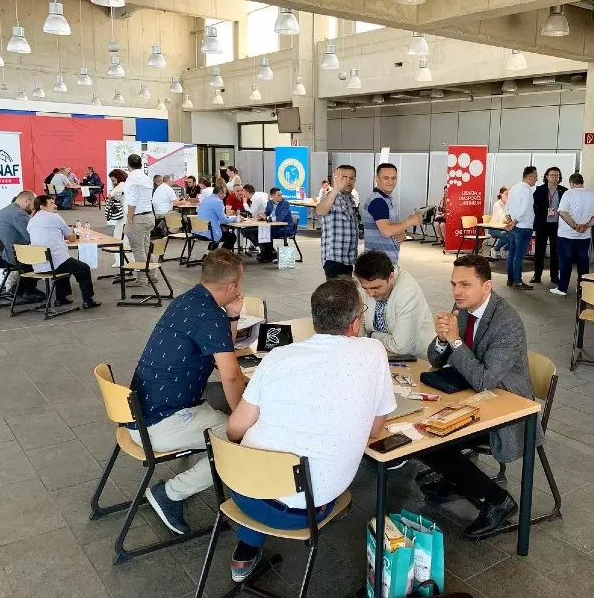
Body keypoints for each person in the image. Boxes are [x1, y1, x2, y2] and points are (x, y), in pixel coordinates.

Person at [224, 278, 395, 581]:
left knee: (265, 457)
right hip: (306, 511)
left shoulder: (276, 357)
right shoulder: (373, 351)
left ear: (315, 319)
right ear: (355, 322)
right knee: (294, 470)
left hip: (240, 491)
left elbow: (234, 429)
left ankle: (244, 553)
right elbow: (374, 429)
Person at [132, 249, 249, 536]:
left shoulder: (185, 300)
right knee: (243, 441)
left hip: (139, 410)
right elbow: (231, 375)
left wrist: (232, 316)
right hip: (161, 423)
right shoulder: (210, 315)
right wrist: (242, 420)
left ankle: (211, 467)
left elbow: (222, 348)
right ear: (232, 286)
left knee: (224, 409)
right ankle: (170, 493)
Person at [420, 255, 536, 539]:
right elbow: (435, 359)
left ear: (487, 287)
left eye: (465, 284)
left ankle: (498, 500)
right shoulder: (463, 308)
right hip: (471, 396)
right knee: (423, 432)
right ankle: (458, 478)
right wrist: (442, 340)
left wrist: (455, 340)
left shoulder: (506, 322)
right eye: (453, 284)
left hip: (506, 406)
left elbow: (485, 381)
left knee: (434, 443)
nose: (456, 291)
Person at [354, 249, 435, 359]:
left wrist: (373, 335)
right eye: (365, 288)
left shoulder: (408, 292)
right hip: (380, 354)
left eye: (376, 288)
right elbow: (358, 328)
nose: (370, 294)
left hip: (418, 359)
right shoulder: (365, 285)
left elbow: (401, 347)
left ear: (391, 277)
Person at [26, 195, 101, 309]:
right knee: (83, 268)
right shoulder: (54, 217)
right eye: (51, 203)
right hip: (53, 261)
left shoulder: (31, 220)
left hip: (38, 263)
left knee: (65, 265)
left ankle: (61, 298)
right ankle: (88, 300)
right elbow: (69, 234)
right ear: (42, 207)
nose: (55, 206)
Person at [550, 174, 594, 297]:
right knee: (583, 261)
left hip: (566, 235)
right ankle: (582, 288)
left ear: (571, 183)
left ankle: (562, 288)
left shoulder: (568, 194)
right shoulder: (593, 195)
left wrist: (575, 226)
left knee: (565, 262)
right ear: (581, 182)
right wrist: (586, 226)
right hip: (584, 236)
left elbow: (563, 213)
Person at [0, 190, 44, 302]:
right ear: (27, 201)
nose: (34, 207)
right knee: (41, 259)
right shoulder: (18, 214)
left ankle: (20, 287)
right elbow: (31, 235)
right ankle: (24, 290)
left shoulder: (7, 210)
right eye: (33, 204)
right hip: (5, 257)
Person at [361, 163, 421, 264]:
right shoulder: (378, 201)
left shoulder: (384, 199)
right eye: (386, 178)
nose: (390, 181)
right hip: (378, 263)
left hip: (383, 261)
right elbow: (386, 231)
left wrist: (401, 232)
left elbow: (390, 227)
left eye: (393, 178)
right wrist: (409, 222)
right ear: (377, 179)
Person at [316, 164, 359, 278]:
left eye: (351, 178)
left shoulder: (350, 199)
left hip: (348, 259)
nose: (348, 181)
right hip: (334, 259)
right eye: (343, 177)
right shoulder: (330, 197)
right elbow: (320, 210)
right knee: (338, 290)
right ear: (336, 179)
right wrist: (335, 189)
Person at [124, 154, 157, 288]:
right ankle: (152, 275)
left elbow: (132, 201)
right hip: (149, 216)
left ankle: (142, 278)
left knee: (138, 249)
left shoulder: (131, 179)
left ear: (128, 165)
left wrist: (129, 218)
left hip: (138, 217)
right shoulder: (147, 178)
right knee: (146, 247)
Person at [503, 165, 537, 290]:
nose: (536, 179)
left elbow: (507, 206)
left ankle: (510, 279)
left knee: (511, 254)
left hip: (515, 227)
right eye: (535, 176)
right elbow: (525, 208)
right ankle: (517, 281)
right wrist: (515, 221)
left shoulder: (514, 188)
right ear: (529, 176)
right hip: (523, 227)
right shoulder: (527, 190)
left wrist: (510, 221)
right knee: (519, 256)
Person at [532, 167, 566, 284]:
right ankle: (537, 275)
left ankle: (554, 275)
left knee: (555, 251)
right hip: (543, 224)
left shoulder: (563, 191)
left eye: (557, 175)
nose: (554, 177)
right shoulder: (540, 190)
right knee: (539, 250)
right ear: (547, 177)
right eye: (552, 175)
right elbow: (534, 205)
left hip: (557, 224)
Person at [247, 187, 294, 262]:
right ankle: (268, 252)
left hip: (285, 228)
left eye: (281, 195)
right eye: (279, 195)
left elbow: (280, 218)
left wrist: (267, 218)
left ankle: (268, 253)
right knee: (254, 231)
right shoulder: (269, 203)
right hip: (273, 226)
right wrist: (262, 215)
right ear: (272, 196)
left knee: (265, 233)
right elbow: (267, 212)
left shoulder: (285, 204)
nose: (281, 197)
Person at [194, 184, 237, 251]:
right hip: (207, 233)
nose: (225, 195)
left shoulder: (206, 200)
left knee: (217, 232)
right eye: (225, 193)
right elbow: (224, 220)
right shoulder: (218, 202)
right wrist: (235, 218)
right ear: (220, 193)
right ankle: (221, 255)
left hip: (198, 231)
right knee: (231, 237)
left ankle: (209, 253)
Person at [107, 169, 128, 268]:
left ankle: (120, 261)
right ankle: (124, 260)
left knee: (118, 237)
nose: (113, 182)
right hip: (125, 214)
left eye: (114, 180)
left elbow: (110, 195)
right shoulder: (126, 184)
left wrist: (112, 192)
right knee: (124, 238)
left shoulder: (122, 184)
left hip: (123, 215)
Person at [487, 186, 510, 260]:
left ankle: (505, 248)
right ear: (501, 194)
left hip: (505, 228)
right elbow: (503, 218)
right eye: (506, 194)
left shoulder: (509, 204)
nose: (508, 196)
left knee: (516, 235)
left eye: (509, 194)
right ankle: (495, 249)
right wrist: (510, 219)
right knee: (506, 235)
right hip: (494, 229)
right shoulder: (497, 204)